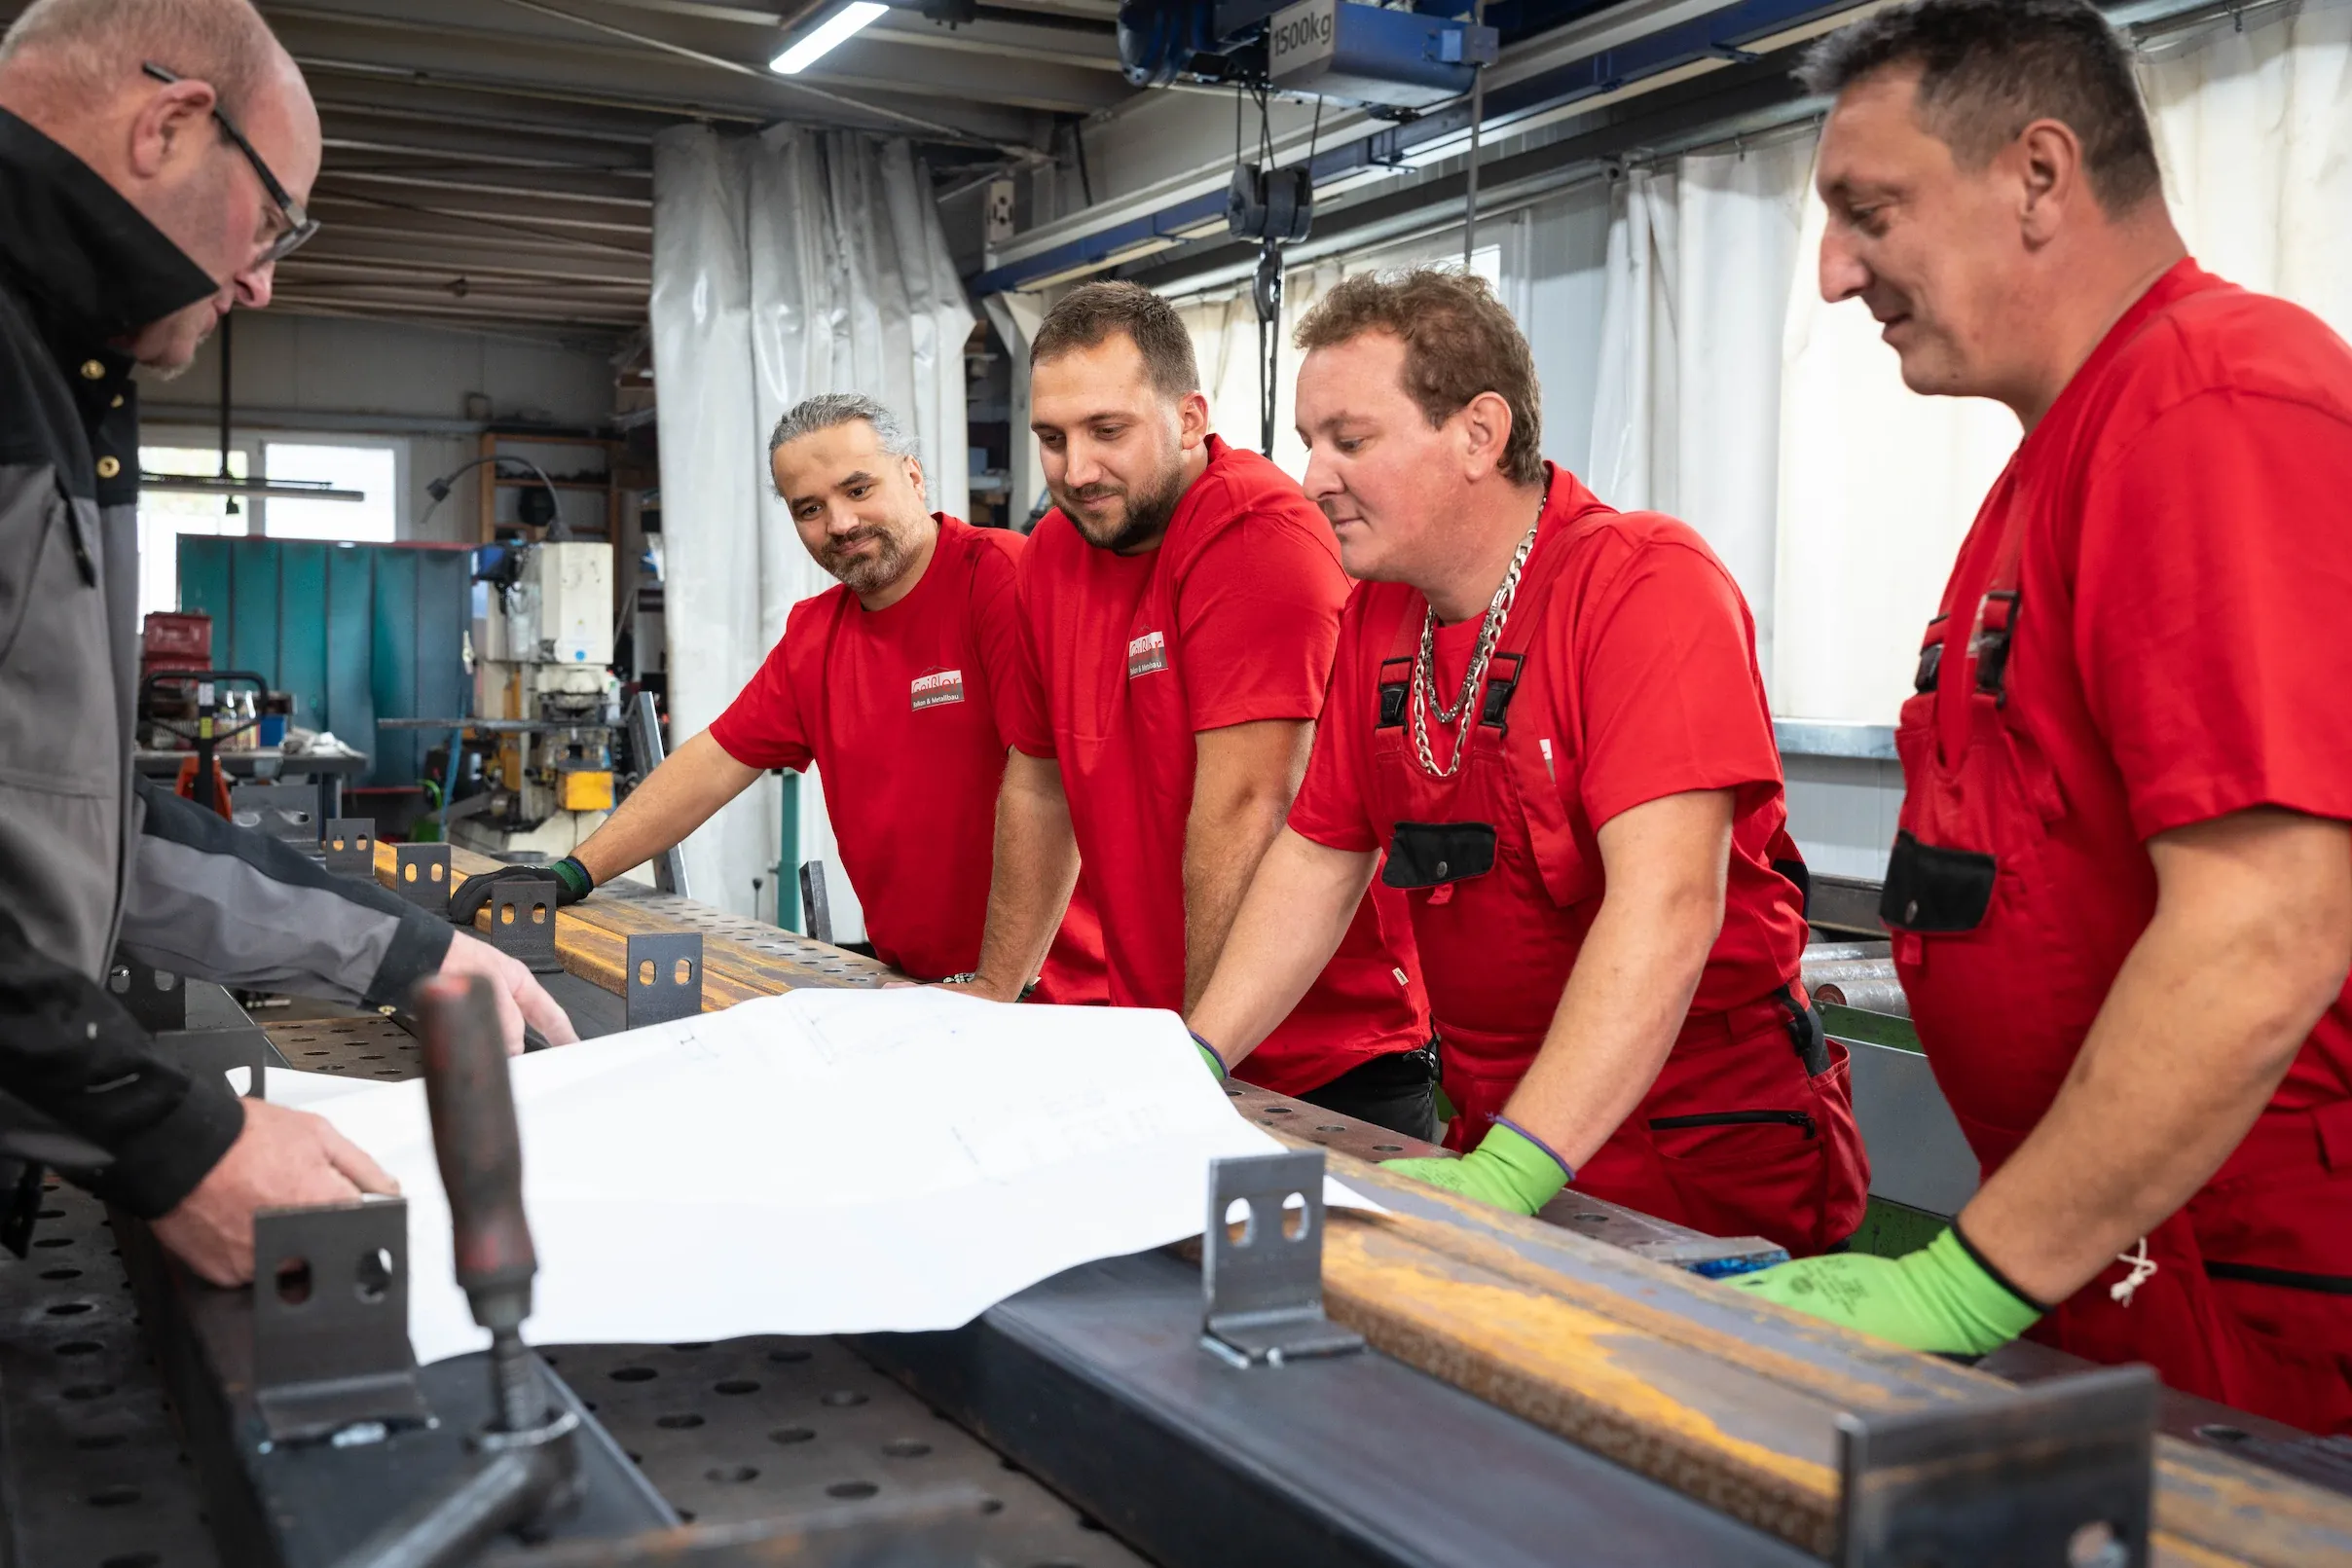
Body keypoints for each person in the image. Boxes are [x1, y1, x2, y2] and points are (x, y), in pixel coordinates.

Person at [1731, 0, 2352, 1434]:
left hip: (2261, 1296)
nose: (1833, 274)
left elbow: (2268, 925)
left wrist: (1970, 1280)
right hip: (2124, 1258)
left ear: (2037, 174)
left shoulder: (2210, 405)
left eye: (1869, 212)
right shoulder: (2057, 463)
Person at [0, 0, 576, 1292]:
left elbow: (77, 828)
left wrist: (410, 952)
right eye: (272, 220)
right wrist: (165, 1139)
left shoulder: (59, 374)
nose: (262, 280)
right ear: (169, 125)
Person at [1185, 272, 1869, 1251]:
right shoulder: (1379, 618)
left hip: (1692, 1153)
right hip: (1496, 1132)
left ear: (1478, 432)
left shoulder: (1644, 587)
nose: (1311, 480)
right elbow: (1317, 859)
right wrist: (1198, 1056)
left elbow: (1671, 903)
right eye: (1308, 443)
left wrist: (1514, 1170)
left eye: (1350, 440)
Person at [962, 281, 1436, 1136]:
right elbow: (1038, 783)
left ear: (1188, 419)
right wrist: (997, 989)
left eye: (1108, 431)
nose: (1076, 469)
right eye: (1052, 439)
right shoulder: (1052, 556)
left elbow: (1250, 805)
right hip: (1163, 1042)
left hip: (1318, 1066)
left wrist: (1204, 1055)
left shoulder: (1254, 533)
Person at [456, 394, 1108, 1003]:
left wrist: (998, 985)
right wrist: (574, 873)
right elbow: (713, 763)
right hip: (922, 988)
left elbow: (1049, 787)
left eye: (858, 489)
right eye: (809, 509)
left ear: (913, 476)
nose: (840, 523)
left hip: (1055, 997)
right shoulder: (817, 636)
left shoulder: (1002, 582)